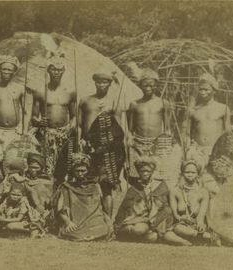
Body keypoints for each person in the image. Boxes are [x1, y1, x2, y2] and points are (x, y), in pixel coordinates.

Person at [78, 72, 125, 219]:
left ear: (110, 84)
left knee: (106, 185)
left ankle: (108, 221)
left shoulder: (114, 102)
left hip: (108, 149)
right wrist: (80, 140)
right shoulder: (85, 100)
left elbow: (119, 129)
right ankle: (88, 219)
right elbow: (79, 124)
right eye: (99, 82)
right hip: (88, 146)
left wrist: (114, 147)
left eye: (105, 82)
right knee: (86, 182)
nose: (102, 85)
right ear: (95, 83)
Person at [0, 56, 31, 180]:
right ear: (0, 70)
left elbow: (26, 112)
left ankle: (14, 188)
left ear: (14, 72)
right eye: (4, 69)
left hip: (15, 131)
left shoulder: (20, 89)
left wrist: (24, 132)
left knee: (17, 161)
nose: (6, 72)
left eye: (9, 70)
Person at [114, 156, 180, 244]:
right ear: (138, 172)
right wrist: (117, 225)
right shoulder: (134, 189)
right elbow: (123, 208)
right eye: (142, 171)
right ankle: (136, 234)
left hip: (154, 220)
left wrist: (153, 221)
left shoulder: (161, 186)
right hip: (137, 219)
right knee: (138, 230)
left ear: (152, 171)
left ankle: (143, 235)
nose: (145, 173)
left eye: (148, 171)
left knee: (146, 233)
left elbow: (166, 208)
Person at [31, 54, 76, 176]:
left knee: (64, 166)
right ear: (48, 70)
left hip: (64, 134)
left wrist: (71, 127)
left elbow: (74, 116)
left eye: (60, 70)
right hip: (47, 134)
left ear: (64, 71)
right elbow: (33, 117)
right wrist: (39, 122)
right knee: (47, 166)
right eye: (54, 69)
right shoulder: (40, 91)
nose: (57, 72)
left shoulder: (70, 92)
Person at [53, 153, 113, 241]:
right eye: (77, 171)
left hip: (93, 221)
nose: (80, 174)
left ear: (88, 170)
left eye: (83, 170)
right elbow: (61, 210)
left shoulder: (95, 186)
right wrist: (68, 222)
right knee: (71, 231)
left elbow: (99, 209)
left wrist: (107, 221)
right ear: (73, 171)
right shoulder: (66, 187)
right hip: (77, 222)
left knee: (104, 229)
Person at [126, 68, 171, 176]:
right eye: (145, 85)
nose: (149, 88)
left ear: (156, 85)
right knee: (136, 173)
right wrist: (129, 140)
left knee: (158, 173)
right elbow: (130, 129)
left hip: (157, 144)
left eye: (152, 85)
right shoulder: (134, 104)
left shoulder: (163, 103)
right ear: (140, 85)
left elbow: (168, 128)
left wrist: (167, 144)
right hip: (138, 144)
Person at [184, 73, 231, 163]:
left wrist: (224, 151)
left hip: (216, 151)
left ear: (214, 91)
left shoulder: (223, 108)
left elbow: (227, 132)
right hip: (198, 151)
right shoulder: (194, 110)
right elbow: (187, 134)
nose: (203, 92)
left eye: (206, 89)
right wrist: (189, 148)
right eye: (201, 89)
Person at [169, 160, 215, 246]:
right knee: (175, 230)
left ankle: (198, 237)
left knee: (196, 229)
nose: (190, 174)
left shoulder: (203, 192)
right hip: (181, 224)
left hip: (195, 225)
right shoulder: (174, 191)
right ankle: (202, 238)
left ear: (198, 174)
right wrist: (182, 218)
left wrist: (200, 224)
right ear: (182, 173)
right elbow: (175, 215)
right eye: (187, 172)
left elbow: (201, 216)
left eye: (193, 172)